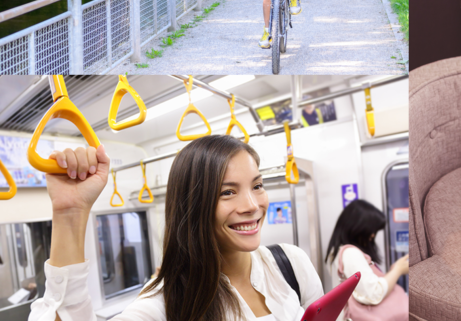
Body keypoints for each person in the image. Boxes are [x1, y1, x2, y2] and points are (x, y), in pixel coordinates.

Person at [28, 136, 325, 321]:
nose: (252, 204)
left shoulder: (291, 263)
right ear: (193, 205)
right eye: (227, 192)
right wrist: (71, 213)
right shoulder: (168, 301)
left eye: (257, 186)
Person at [325, 200, 408, 321]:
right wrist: (397, 270)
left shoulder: (335, 252)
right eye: (371, 230)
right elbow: (374, 293)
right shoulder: (350, 254)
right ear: (358, 227)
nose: (373, 235)